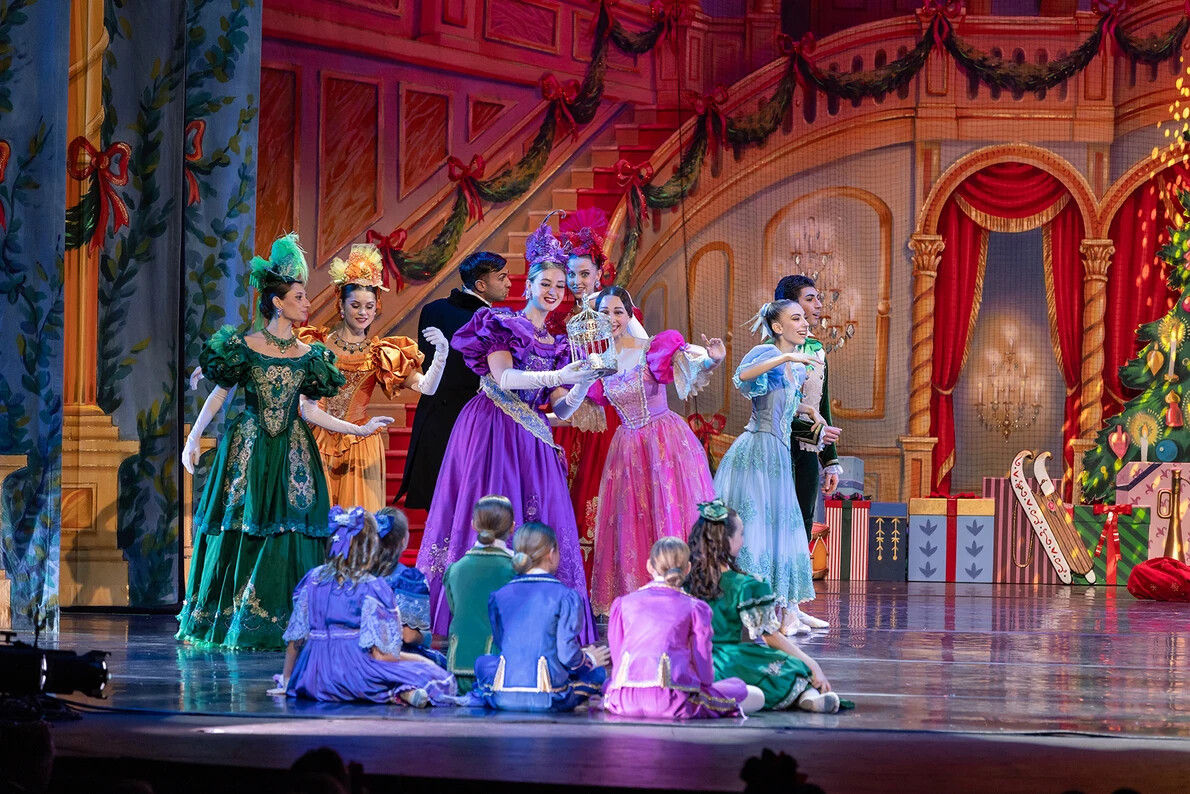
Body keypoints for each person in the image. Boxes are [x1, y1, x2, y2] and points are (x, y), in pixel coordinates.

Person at [178, 234, 390, 651]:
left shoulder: (309, 354)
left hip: (293, 449)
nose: (307, 303)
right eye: (299, 297)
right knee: (243, 526)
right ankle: (233, 616)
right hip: (249, 449)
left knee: (291, 528)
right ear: (277, 302)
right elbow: (220, 394)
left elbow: (309, 410)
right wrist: (193, 437)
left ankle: (289, 619)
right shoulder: (244, 347)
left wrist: (357, 430)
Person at [416, 214, 599, 641]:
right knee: (490, 509)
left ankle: (534, 616)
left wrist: (581, 382)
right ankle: (474, 614)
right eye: (545, 284)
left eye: (560, 286)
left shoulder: (557, 344)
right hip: (491, 428)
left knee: (537, 516)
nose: (553, 292)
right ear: (529, 285)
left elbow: (561, 411)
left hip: (531, 437)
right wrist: (559, 375)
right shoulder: (502, 324)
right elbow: (504, 379)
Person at [587, 285, 725, 615]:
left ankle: (685, 593)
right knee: (634, 521)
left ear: (629, 314)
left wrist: (714, 359)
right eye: (604, 313)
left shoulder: (650, 348)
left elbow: (695, 365)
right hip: (627, 449)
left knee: (672, 513)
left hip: (664, 443)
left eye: (618, 311)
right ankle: (643, 596)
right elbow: (575, 403)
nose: (612, 318)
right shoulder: (598, 362)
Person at [294, 244, 449, 511]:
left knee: (357, 525)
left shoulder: (382, 352)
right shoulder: (315, 345)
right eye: (355, 305)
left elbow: (427, 388)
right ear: (341, 305)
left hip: (359, 445)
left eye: (369, 306)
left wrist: (442, 355)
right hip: (315, 438)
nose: (362, 312)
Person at [713, 300, 826, 635]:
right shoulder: (767, 354)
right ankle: (755, 610)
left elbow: (783, 402)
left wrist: (808, 410)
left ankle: (787, 609)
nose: (804, 324)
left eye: (804, 319)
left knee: (783, 528)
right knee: (758, 528)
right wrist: (785, 358)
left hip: (777, 454)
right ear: (777, 327)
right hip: (756, 452)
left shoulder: (797, 367)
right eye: (796, 318)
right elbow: (742, 376)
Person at [274, 506, 460, 706]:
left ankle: (399, 693)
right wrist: (423, 661)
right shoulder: (372, 587)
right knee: (430, 672)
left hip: (312, 674)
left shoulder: (312, 579)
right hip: (353, 669)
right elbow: (383, 656)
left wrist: (287, 680)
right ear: (371, 545)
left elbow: (295, 640)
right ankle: (398, 692)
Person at [549, 208, 647, 583]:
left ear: (599, 274)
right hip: (570, 415)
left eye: (584, 274)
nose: (576, 282)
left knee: (601, 494)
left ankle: (603, 579)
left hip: (606, 417)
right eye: (571, 275)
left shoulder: (617, 312)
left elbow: (637, 355)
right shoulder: (557, 317)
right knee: (567, 494)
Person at [686, 499, 840, 713]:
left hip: (691, 661)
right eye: (741, 535)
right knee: (792, 666)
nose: (743, 541)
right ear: (727, 541)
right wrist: (811, 663)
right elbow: (770, 637)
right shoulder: (745, 585)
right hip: (728, 659)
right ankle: (807, 696)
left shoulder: (684, 582)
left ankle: (719, 695)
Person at [604, 537, 765, 719]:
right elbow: (703, 665)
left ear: (649, 566)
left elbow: (617, 656)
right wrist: (705, 686)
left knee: (605, 683)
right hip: (672, 701)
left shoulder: (623, 603)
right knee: (748, 692)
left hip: (623, 699)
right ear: (688, 568)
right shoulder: (695, 607)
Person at [399, 252, 511, 509]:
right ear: (480, 285)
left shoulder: (432, 310)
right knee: (468, 499)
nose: (508, 283)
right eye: (502, 277)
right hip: (473, 419)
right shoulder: (492, 320)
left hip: (434, 414)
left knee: (439, 500)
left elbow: (429, 365)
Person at [471, 522, 609, 712]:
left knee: (483, 662)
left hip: (504, 694)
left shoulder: (499, 595)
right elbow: (567, 655)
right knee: (597, 673)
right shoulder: (566, 596)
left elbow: (501, 643)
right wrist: (590, 659)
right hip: (548, 696)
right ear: (551, 554)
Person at [773, 275, 842, 542]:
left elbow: (821, 404)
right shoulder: (771, 352)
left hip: (808, 451)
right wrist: (814, 432)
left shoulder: (817, 350)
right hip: (777, 447)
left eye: (818, 298)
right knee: (777, 524)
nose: (819, 305)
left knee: (803, 524)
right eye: (810, 299)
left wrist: (830, 461)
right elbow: (775, 408)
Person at [442, 495, 518, 693]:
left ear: (474, 525)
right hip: (502, 674)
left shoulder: (455, 569)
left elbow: (456, 609)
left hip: (458, 672)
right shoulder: (516, 569)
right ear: (512, 527)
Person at [375, 506, 447, 667]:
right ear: (403, 540)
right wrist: (425, 638)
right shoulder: (409, 579)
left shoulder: (359, 573)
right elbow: (408, 636)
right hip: (394, 656)